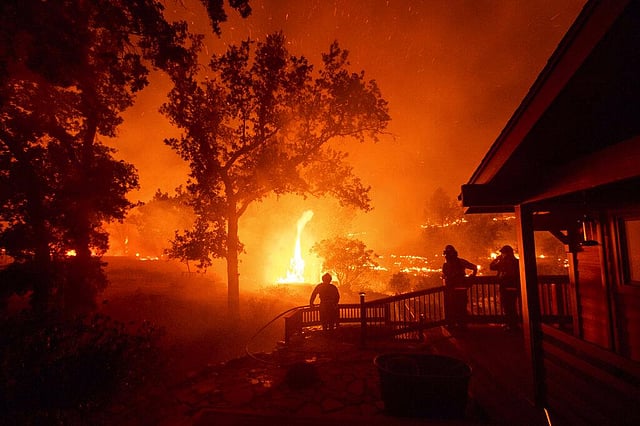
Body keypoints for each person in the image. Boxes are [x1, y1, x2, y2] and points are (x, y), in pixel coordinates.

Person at [442, 245, 477, 329]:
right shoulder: (459, 262)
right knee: (460, 307)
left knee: (453, 307)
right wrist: (472, 277)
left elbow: (446, 275)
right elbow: (474, 267)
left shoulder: (447, 264)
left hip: (453, 289)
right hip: (460, 288)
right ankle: (462, 324)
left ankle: (454, 324)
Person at [490, 245, 521, 331]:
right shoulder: (517, 262)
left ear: (505, 253)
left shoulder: (502, 262)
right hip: (515, 287)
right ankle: (514, 324)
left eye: (502, 253)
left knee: (507, 307)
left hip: (505, 287)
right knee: (512, 306)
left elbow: (491, 267)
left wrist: (497, 259)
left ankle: (510, 325)